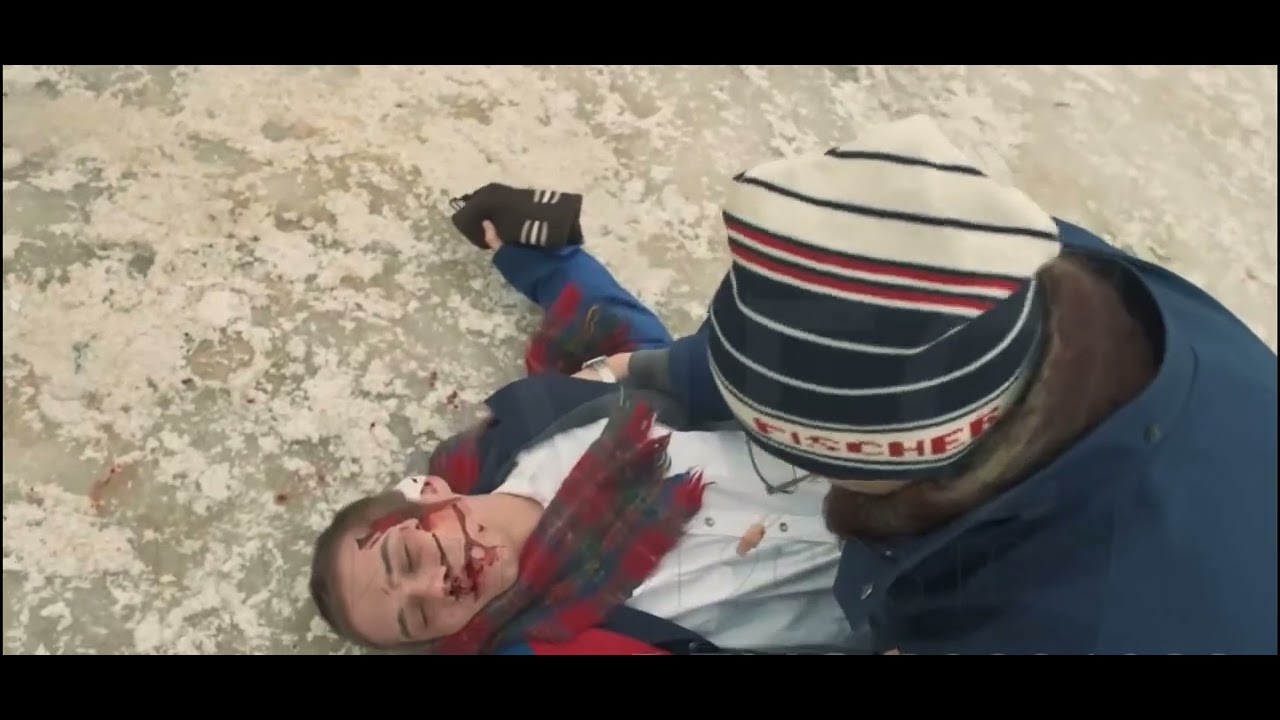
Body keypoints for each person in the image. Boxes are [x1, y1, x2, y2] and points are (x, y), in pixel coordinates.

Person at [598, 114, 1278, 655]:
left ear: (905, 463)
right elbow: (809, 340)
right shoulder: (1006, 265)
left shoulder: (1077, 622)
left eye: (805, 465)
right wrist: (649, 369)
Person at [308, 217, 863, 655]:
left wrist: (538, 255)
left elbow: (645, 355)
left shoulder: (534, 427)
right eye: (420, 617)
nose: (436, 587)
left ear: (429, 491)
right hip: (894, 604)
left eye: (408, 558)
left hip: (868, 454)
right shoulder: (552, 638)